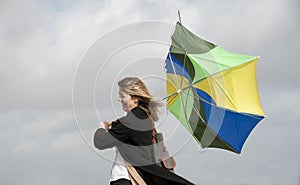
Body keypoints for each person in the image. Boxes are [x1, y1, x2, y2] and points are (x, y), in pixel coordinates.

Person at [94, 77, 194, 185]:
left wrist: (101, 128)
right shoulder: (143, 118)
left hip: (127, 178)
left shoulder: (133, 119)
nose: (119, 99)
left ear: (135, 98)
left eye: (122, 95)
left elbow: (101, 141)